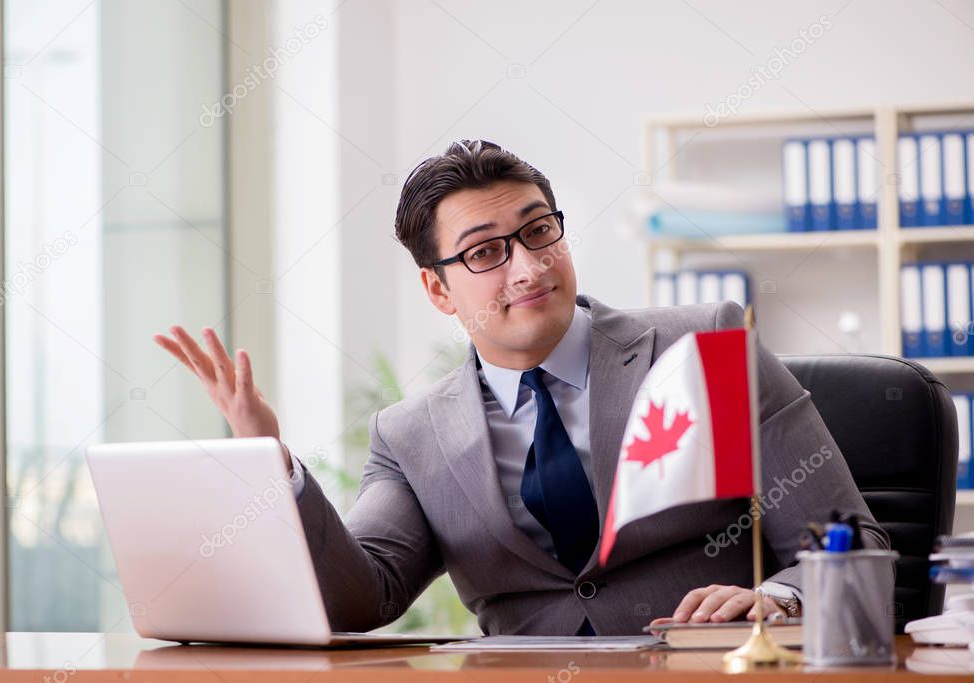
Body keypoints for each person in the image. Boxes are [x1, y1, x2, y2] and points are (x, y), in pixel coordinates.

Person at [154, 139, 889, 636]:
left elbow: (856, 545)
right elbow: (362, 596)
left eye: (539, 231)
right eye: (485, 252)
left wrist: (776, 597)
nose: (529, 267)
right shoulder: (410, 436)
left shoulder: (703, 349)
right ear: (438, 290)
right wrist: (270, 462)